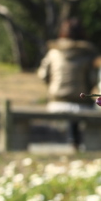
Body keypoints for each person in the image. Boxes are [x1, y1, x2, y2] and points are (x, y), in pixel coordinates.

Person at [38, 18, 97, 149]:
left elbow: (43, 75)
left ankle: (72, 140)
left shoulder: (53, 52)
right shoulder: (87, 54)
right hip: (82, 103)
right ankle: (77, 141)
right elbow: (93, 79)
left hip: (56, 101)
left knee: (71, 116)